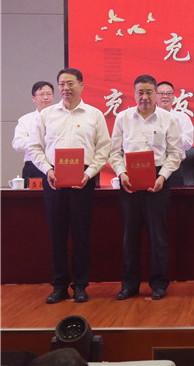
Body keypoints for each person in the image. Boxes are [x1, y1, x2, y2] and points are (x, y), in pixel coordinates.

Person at [28, 68, 111, 304]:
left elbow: (103, 148)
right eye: (62, 84)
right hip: (54, 179)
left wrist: (89, 173)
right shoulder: (46, 115)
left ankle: (81, 285)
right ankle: (59, 286)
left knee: (81, 234)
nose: (66, 88)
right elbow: (35, 147)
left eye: (70, 83)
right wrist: (48, 170)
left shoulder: (94, 115)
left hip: (83, 179)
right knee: (57, 234)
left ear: (82, 85)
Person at [109, 74, 182, 300]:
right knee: (130, 237)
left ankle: (159, 284)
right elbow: (114, 152)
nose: (145, 97)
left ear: (156, 94)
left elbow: (175, 153)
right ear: (134, 94)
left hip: (158, 181)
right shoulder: (123, 118)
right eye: (140, 92)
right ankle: (129, 285)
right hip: (130, 183)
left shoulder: (168, 119)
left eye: (149, 92)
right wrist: (121, 173)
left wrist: (162, 176)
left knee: (158, 236)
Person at [12, 80, 55, 181]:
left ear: (53, 97)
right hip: (33, 166)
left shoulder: (61, 118)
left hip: (56, 165)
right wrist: (39, 139)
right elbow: (17, 144)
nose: (45, 97)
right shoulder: (25, 120)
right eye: (41, 94)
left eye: (49, 94)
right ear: (33, 98)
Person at [156, 81, 194, 186]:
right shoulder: (150, 119)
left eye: (169, 93)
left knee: (175, 196)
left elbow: (188, 143)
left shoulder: (183, 118)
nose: (165, 96)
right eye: (161, 93)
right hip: (155, 166)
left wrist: (171, 135)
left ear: (173, 97)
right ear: (155, 96)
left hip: (174, 168)